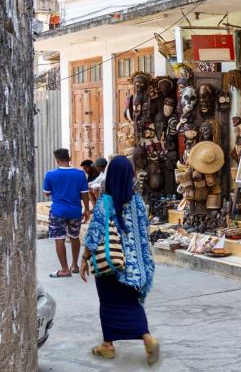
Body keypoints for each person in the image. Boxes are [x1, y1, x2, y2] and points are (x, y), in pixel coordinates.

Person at [80, 156, 159, 365]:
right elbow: (144, 232)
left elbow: (95, 233)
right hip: (138, 267)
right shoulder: (139, 203)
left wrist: (84, 259)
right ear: (131, 176)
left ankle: (109, 345)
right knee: (131, 303)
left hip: (112, 265)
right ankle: (145, 338)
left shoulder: (105, 202)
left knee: (108, 303)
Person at [42, 149, 89, 278]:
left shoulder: (50, 174)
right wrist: (87, 210)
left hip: (58, 211)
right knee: (74, 238)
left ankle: (64, 269)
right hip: (75, 211)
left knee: (59, 239)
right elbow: (85, 194)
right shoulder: (80, 174)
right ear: (69, 158)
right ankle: (74, 265)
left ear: (57, 160)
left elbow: (46, 193)